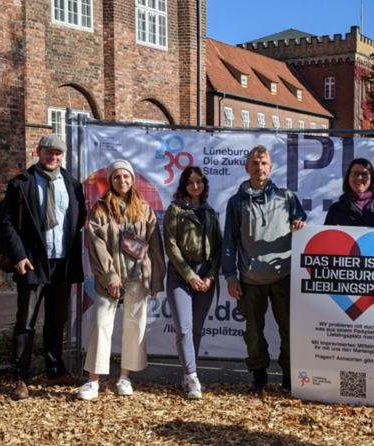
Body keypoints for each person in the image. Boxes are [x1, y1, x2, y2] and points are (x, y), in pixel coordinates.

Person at [0, 134, 87, 400]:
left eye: (58, 153)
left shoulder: (72, 184)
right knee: (26, 322)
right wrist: (18, 255)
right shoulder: (21, 183)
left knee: (57, 320)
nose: (54, 157)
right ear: (38, 152)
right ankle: (20, 377)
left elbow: (79, 218)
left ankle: (55, 369)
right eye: (49, 152)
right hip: (32, 262)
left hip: (62, 262)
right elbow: (7, 222)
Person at [78, 160, 166, 400]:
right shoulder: (100, 209)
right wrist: (110, 277)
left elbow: (155, 247)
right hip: (109, 280)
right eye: (117, 177)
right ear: (111, 180)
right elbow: (96, 245)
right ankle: (93, 380)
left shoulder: (145, 209)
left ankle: (124, 377)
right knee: (101, 325)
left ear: (132, 179)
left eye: (126, 176)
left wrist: (156, 280)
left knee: (134, 325)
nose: (122, 181)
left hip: (138, 278)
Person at [222, 145, 307, 393]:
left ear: (271, 167)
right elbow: (229, 241)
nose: (259, 167)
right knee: (254, 332)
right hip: (250, 279)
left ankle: (290, 374)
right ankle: (259, 375)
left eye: (264, 163)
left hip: (284, 276)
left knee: (289, 329)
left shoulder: (286, 196)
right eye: (255, 163)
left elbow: (300, 223)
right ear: (247, 167)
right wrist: (230, 277)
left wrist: (300, 224)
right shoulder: (236, 202)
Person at [162, 166, 222, 400]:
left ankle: (188, 374)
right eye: (190, 182)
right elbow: (170, 246)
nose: (195, 186)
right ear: (184, 185)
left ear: (204, 185)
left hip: (205, 274)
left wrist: (210, 276)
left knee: (196, 330)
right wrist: (189, 275)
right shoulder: (175, 210)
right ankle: (192, 376)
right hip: (180, 275)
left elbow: (218, 248)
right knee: (184, 329)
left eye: (199, 182)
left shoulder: (211, 213)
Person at [323, 157, 374, 228]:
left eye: (364, 174)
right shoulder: (336, 209)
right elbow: (325, 240)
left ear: (371, 178)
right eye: (355, 173)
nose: (359, 178)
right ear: (348, 177)